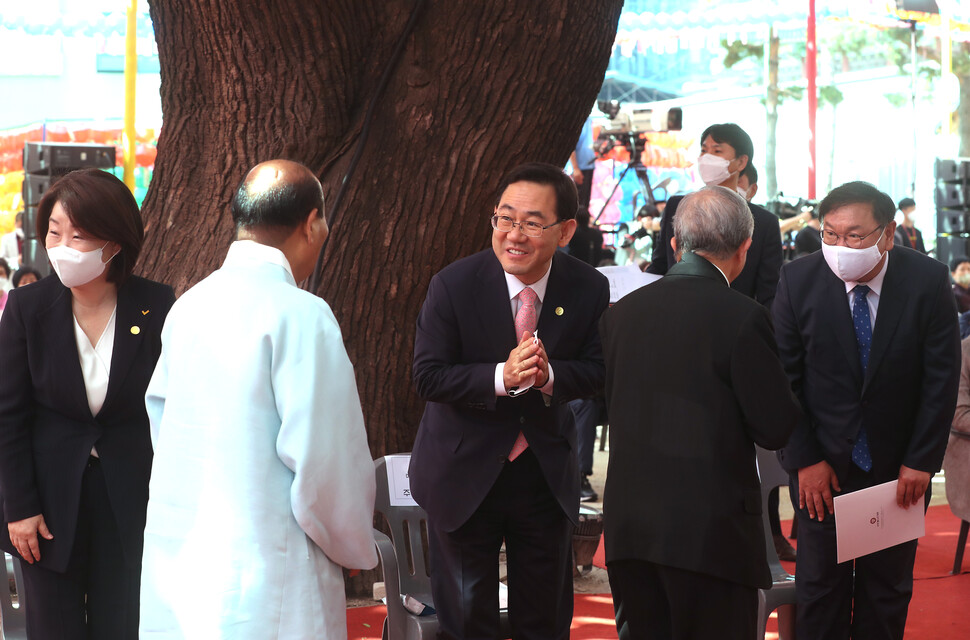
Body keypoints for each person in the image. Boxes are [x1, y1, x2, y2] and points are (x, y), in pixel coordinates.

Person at [138, 160, 376, 638]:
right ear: (312, 223)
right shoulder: (302, 315)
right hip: (273, 566)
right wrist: (351, 544)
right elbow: (324, 459)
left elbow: (163, 428)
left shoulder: (188, 308)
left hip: (185, 560)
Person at [410, 162, 610, 639]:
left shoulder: (587, 287)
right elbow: (428, 376)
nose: (514, 235)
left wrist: (549, 376)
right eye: (505, 218)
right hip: (464, 472)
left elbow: (601, 371)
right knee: (467, 620)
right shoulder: (453, 285)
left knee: (544, 619)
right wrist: (502, 376)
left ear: (565, 231)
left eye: (532, 223)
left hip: (542, 473)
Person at [601, 186, 798, 639]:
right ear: (745, 248)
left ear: (676, 244)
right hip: (712, 533)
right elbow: (775, 426)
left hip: (631, 526)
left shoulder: (621, 313)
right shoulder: (742, 316)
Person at [772, 180, 961, 639]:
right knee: (820, 594)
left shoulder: (927, 281)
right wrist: (805, 461)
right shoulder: (798, 280)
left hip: (897, 473)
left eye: (855, 236)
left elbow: (940, 380)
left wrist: (920, 460)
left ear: (888, 233)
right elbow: (782, 382)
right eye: (830, 234)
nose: (841, 246)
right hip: (822, 472)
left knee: (887, 593)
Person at [0, 168, 175, 639]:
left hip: (130, 499)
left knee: (122, 624)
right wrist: (19, 507)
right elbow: (7, 418)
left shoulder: (157, 306)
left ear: (114, 244)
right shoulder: (26, 309)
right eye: (54, 233)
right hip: (47, 507)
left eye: (78, 236)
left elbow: (171, 413)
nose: (61, 247)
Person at [647, 123, 782, 308]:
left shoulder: (765, 223)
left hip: (734, 322)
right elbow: (659, 267)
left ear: (741, 162)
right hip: (674, 314)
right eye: (703, 150)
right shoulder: (676, 206)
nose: (707, 157)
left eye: (717, 151)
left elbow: (770, 293)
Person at [568, 114, 596, 208]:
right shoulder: (576, 120)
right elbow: (570, 146)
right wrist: (575, 168)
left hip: (588, 165)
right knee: (579, 203)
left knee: (585, 202)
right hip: (579, 167)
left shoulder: (589, 120)